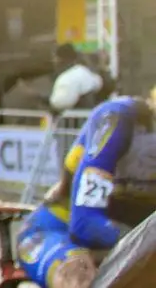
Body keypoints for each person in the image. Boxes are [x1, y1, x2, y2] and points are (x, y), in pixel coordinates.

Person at [17, 92, 156, 288]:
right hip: (58, 230)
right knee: (77, 275)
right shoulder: (117, 117)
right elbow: (85, 225)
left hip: (125, 238)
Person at [51, 43, 106, 113]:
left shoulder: (76, 74)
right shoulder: (80, 72)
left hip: (78, 118)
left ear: (63, 59)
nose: (54, 61)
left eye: (56, 58)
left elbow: (62, 102)